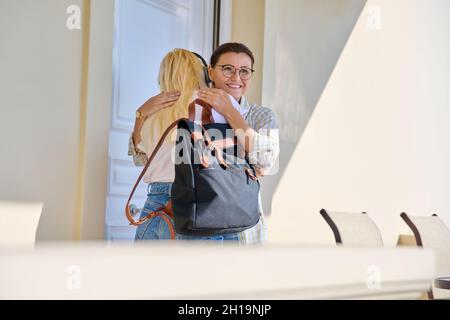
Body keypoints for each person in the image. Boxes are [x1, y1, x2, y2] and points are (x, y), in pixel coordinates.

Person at [129, 43, 279, 244]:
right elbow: (142, 159)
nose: (236, 78)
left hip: (159, 206)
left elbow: (266, 164)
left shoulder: (259, 115)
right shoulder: (200, 108)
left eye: (244, 71)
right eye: (227, 69)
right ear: (209, 73)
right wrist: (140, 114)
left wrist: (230, 112)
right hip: (201, 205)